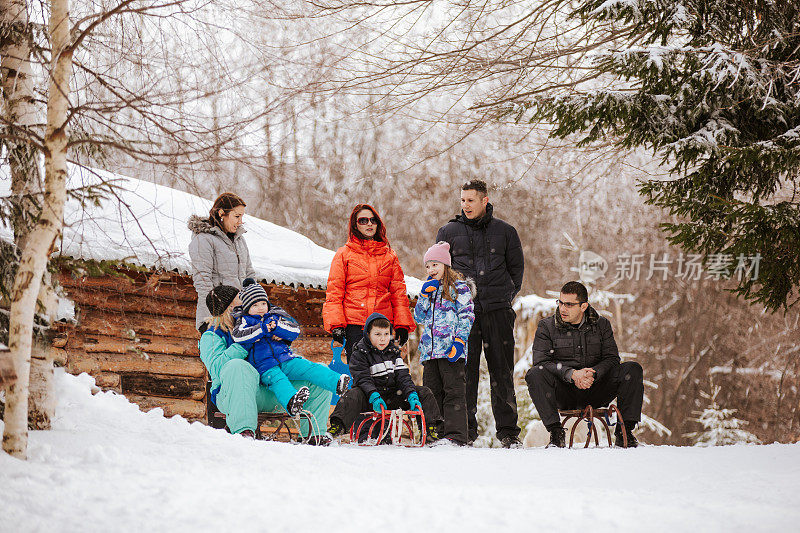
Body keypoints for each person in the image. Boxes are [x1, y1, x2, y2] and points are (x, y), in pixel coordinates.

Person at [436, 179, 524, 448]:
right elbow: (439, 271)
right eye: (462, 200)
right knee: (464, 373)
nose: (466, 205)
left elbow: (516, 272)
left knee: (502, 373)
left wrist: (503, 298)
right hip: (463, 315)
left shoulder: (506, 232)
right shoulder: (448, 231)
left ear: (485, 200)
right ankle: (464, 431)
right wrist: (455, 305)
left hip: (497, 312)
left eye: (471, 200)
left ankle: (508, 433)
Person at [199, 285, 333, 444]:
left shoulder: (261, 323)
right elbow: (216, 368)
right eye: (240, 300)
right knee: (238, 366)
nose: (247, 303)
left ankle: (314, 435)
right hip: (235, 394)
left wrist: (280, 340)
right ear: (229, 307)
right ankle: (244, 432)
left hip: (272, 390)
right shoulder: (212, 335)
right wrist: (244, 344)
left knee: (321, 374)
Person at [525, 281, 643, 448]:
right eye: (560, 302)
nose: (562, 308)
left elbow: (612, 359)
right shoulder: (547, 327)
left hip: (597, 389)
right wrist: (572, 374)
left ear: (583, 306)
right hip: (564, 392)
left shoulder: (601, 325)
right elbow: (541, 361)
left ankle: (624, 432)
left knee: (632, 369)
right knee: (535, 374)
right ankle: (556, 433)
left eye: (569, 304)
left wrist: (593, 373)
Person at [231, 279, 350, 416]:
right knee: (278, 380)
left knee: (308, 367)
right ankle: (291, 401)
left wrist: (277, 328)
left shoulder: (275, 317)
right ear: (247, 308)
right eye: (255, 305)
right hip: (264, 366)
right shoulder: (245, 321)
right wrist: (262, 329)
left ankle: (336, 382)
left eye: (263, 303)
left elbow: (294, 331)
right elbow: (239, 337)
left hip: (285, 358)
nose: (261, 308)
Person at [327, 313, 443, 442]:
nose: (382, 339)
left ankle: (431, 431)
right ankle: (336, 428)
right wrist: (374, 395)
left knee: (424, 392)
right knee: (352, 394)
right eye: (377, 334)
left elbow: (403, 377)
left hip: (392, 396)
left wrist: (411, 394)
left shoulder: (393, 353)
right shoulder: (359, 353)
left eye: (386, 334)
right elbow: (362, 378)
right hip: (369, 397)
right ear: (368, 334)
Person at [323, 204, 416, 362]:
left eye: (373, 220)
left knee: (385, 374)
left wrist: (402, 325)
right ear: (355, 224)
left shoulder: (389, 256)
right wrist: (336, 324)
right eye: (363, 220)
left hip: (383, 325)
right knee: (360, 374)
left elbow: (398, 293)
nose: (369, 224)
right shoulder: (344, 254)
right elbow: (334, 292)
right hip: (355, 325)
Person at [413, 242, 475, 445]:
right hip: (430, 353)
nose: (430, 270)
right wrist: (423, 296)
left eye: (434, 265)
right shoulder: (428, 290)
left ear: (445, 265)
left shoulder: (460, 288)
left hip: (450, 351)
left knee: (454, 393)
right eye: (428, 266)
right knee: (431, 394)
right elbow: (420, 318)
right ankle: (434, 434)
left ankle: (456, 436)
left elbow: (466, 316)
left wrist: (459, 342)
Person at [188, 192, 256, 333]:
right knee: (221, 355)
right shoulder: (204, 239)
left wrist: (254, 303)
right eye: (237, 216)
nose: (240, 221)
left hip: (239, 316)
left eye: (242, 216)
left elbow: (249, 275)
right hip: (215, 318)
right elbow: (203, 281)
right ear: (221, 213)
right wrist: (217, 314)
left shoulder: (240, 240)